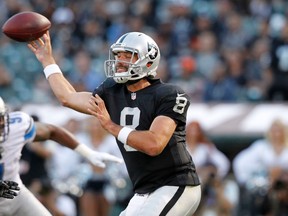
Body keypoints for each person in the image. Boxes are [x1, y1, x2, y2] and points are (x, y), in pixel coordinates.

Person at [28, 31, 201, 216]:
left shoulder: (169, 94)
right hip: (144, 190)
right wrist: (47, 61)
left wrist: (111, 126)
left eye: (128, 56)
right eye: (118, 55)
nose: (120, 61)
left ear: (148, 62)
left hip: (176, 184)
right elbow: (68, 97)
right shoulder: (112, 91)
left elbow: (154, 144)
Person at [0, 96, 122, 216]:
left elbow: (52, 131)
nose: (1, 123)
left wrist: (88, 153)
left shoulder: (16, 125)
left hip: (15, 192)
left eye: (1, 118)